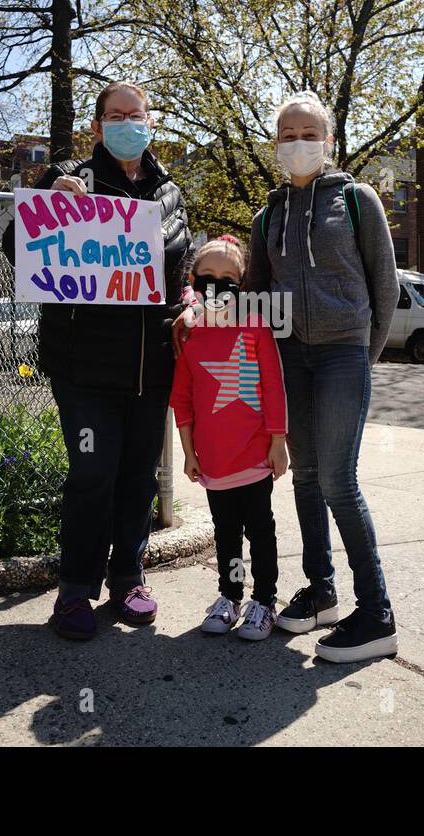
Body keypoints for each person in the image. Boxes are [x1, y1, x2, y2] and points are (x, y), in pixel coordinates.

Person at [212, 90, 401, 664]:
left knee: (340, 480)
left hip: (344, 353)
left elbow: (385, 287)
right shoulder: (267, 215)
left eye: (308, 133)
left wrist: (359, 358)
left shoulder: (359, 200)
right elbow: (256, 296)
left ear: (329, 140)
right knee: (305, 477)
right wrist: (202, 311)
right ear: (276, 146)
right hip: (290, 358)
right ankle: (321, 591)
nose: (298, 144)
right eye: (287, 135)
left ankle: (377, 616)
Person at [3, 81, 191, 641]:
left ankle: (129, 578)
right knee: (92, 475)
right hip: (85, 368)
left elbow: (177, 274)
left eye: (136, 114)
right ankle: (75, 589)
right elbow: (17, 247)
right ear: (97, 126)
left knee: (138, 478)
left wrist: (192, 306)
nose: (126, 123)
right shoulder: (71, 179)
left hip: (150, 367)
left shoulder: (170, 192)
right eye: (114, 115)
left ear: (151, 121)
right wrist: (52, 200)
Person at [169, 235, 289, 641]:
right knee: (226, 533)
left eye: (228, 278)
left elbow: (273, 386)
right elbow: (182, 399)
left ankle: (265, 600)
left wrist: (277, 441)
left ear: (241, 284)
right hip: (214, 458)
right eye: (208, 277)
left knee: (260, 529)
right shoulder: (190, 333)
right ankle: (229, 595)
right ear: (194, 280)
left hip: (254, 454)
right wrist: (188, 452)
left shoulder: (255, 325)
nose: (218, 285)